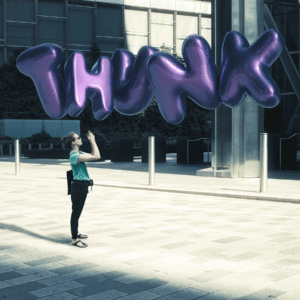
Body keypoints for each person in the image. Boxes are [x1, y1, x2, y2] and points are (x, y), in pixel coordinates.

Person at [62, 131, 100, 248]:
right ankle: (74, 239)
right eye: (77, 138)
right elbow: (97, 157)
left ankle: (76, 232)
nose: (80, 138)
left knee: (77, 211)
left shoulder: (80, 153)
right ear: (73, 143)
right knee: (76, 213)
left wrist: (91, 141)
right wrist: (92, 140)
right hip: (78, 187)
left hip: (82, 186)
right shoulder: (74, 156)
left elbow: (94, 154)